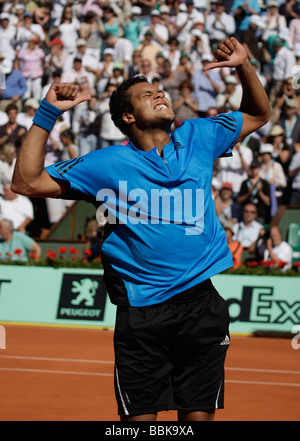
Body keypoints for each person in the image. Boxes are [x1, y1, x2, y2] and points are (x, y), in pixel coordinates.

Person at [12, 38, 270, 421]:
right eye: (147, 94)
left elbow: (258, 114)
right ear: (128, 117)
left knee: (199, 419)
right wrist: (48, 113)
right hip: (142, 310)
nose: (159, 94)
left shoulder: (199, 136)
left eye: (159, 90)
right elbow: (26, 182)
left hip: (202, 304)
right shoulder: (104, 163)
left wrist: (244, 66)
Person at [237, 158, 271, 224]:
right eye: (252, 168)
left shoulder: (264, 183)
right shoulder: (245, 183)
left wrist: (260, 192)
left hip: (259, 215)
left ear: (259, 168)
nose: (253, 170)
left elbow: (267, 202)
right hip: (247, 215)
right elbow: (239, 200)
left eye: (255, 168)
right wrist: (248, 193)